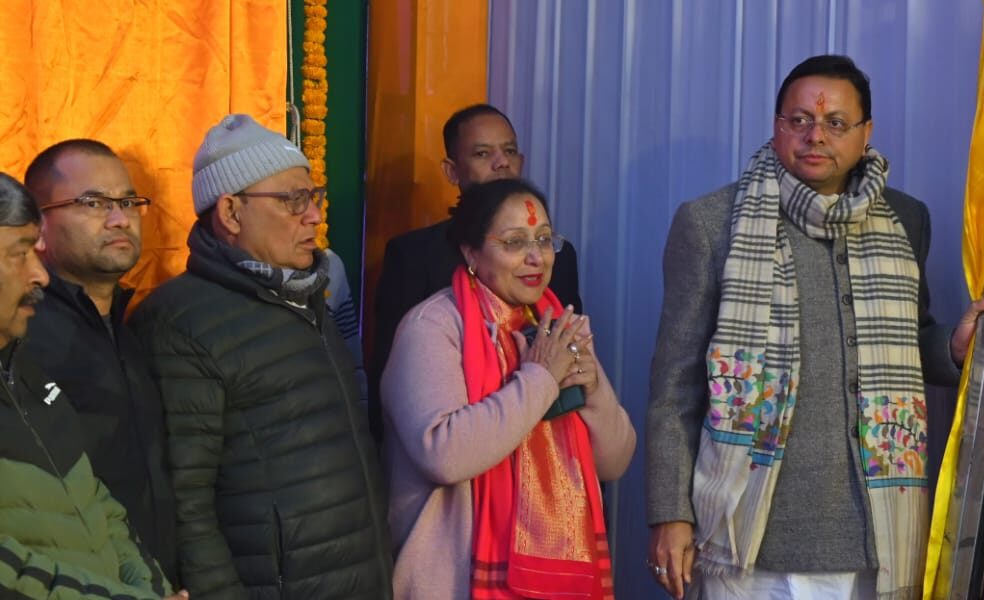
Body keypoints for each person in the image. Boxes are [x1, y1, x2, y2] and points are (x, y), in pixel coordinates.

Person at [645, 55, 984, 599]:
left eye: (835, 122)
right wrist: (670, 513)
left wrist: (952, 346)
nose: (816, 136)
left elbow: (906, 341)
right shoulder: (712, 223)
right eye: (799, 120)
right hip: (746, 537)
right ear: (776, 124)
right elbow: (675, 386)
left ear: (866, 132)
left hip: (871, 538)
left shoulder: (906, 219)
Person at [129, 115, 392, 599]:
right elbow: (186, 500)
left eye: (314, 197)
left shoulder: (307, 295)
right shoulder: (180, 323)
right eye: (293, 200)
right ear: (231, 212)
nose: (313, 216)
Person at [383, 178, 634, 599]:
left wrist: (594, 391)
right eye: (515, 242)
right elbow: (443, 454)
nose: (536, 257)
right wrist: (541, 380)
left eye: (544, 239)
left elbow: (614, 462)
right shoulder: (433, 327)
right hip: (457, 579)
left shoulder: (555, 326)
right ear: (471, 252)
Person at [0, 172, 182, 599]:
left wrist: (151, 589)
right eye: (20, 253)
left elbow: (98, 501)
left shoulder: (26, 372)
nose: (39, 275)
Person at [371, 104, 584, 441]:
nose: (502, 163)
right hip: (463, 443)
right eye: (483, 153)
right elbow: (391, 379)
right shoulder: (414, 256)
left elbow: (571, 364)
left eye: (509, 151)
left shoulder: (556, 256)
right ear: (452, 170)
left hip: (547, 441)